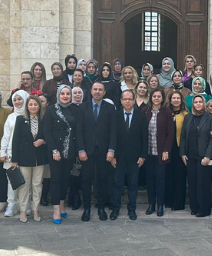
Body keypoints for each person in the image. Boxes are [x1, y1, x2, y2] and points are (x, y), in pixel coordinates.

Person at [77, 82, 117, 222]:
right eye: (95, 89)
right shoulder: (83, 107)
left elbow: (113, 130)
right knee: (86, 180)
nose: (98, 92)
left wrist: (111, 150)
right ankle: (86, 209)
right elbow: (79, 130)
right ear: (91, 91)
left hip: (104, 150)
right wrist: (81, 149)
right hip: (87, 150)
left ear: (104, 93)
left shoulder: (110, 108)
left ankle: (101, 208)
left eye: (100, 90)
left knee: (102, 180)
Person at [43, 86, 82, 223]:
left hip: (69, 150)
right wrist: (54, 150)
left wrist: (78, 149)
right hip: (55, 151)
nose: (65, 96)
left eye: (67, 94)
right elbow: (46, 131)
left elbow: (78, 130)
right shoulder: (51, 110)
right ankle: (56, 211)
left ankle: (61, 205)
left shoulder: (74, 109)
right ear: (58, 95)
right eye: (63, 94)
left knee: (66, 179)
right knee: (56, 179)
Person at [110, 90, 148, 221]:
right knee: (117, 184)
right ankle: (115, 209)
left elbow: (145, 138)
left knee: (133, 184)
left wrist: (143, 156)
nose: (127, 101)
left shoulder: (141, 116)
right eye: (125, 99)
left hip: (134, 157)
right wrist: (112, 155)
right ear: (121, 101)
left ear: (133, 100)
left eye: (130, 99)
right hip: (118, 157)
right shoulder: (115, 116)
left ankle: (132, 209)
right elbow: (112, 137)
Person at [180, 94, 212, 218]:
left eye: (200, 102)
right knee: (192, 183)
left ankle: (204, 208)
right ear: (193, 104)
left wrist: (208, 156)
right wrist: (183, 153)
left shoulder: (210, 118)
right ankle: (194, 207)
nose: (197, 104)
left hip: (204, 157)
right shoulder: (188, 117)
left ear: (204, 104)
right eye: (195, 102)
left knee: (203, 183)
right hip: (190, 156)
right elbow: (183, 137)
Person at [12, 95, 48, 223]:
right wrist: (15, 160)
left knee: (37, 184)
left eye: (35, 104)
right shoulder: (21, 119)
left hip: (40, 157)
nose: (33, 107)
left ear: (40, 106)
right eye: (31, 104)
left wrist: (43, 141)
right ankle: (23, 210)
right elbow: (15, 140)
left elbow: (49, 136)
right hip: (24, 157)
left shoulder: (44, 119)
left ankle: (35, 209)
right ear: (27, 106)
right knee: (24, 185)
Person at [144, 88, 174, 217]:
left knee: (160, 179)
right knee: (150, 179)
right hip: (148, 152)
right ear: (151, 98)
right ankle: (151, 204)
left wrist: (166, 150)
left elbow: (170, 133)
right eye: (154, 96)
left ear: (162, 98)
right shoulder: (145, 111)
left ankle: (160, 204)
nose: (156, 98)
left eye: (159, 96)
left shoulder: (167, 112)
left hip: (161, 152)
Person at [0, 90, 29, 217]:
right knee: (13, 181)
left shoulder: (30, 116)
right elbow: (5, 136)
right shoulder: (11, 117)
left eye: (20, 99)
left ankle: (25, 205)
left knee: (26, 181)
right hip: (11, 153)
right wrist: (2, 151)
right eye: (15, 100)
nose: (17, 102)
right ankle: (11, 205)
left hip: (26, 154)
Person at [167, 91, 188, 210]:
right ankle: (169, 200)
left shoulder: (186, 114)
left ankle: (178, 203)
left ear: (181, 100)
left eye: (178, 98)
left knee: (180, 177)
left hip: (180, 148)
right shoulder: (166, 113)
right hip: (169, 148)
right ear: (170, 100)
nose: (175, 100)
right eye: (173, 98)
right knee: (169, 175)